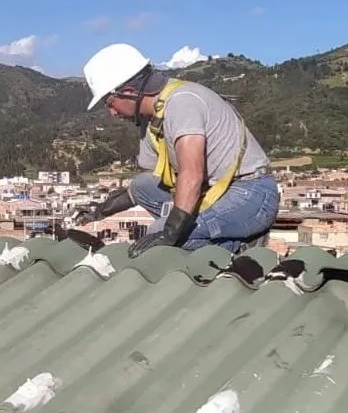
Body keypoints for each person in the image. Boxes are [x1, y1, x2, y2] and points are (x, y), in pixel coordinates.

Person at [81, 43, 280, 256]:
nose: (111, 112)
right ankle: (208, 234)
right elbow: (150, 181)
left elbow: (192, 174)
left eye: (109, 103)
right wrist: (99, 212)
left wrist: (169, 232)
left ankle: (239, 245)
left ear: (128, 92)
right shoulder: (151, 119)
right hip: (214, 191)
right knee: (141, 185)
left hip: (250, 194)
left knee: (159, 234)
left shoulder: (182, 102)